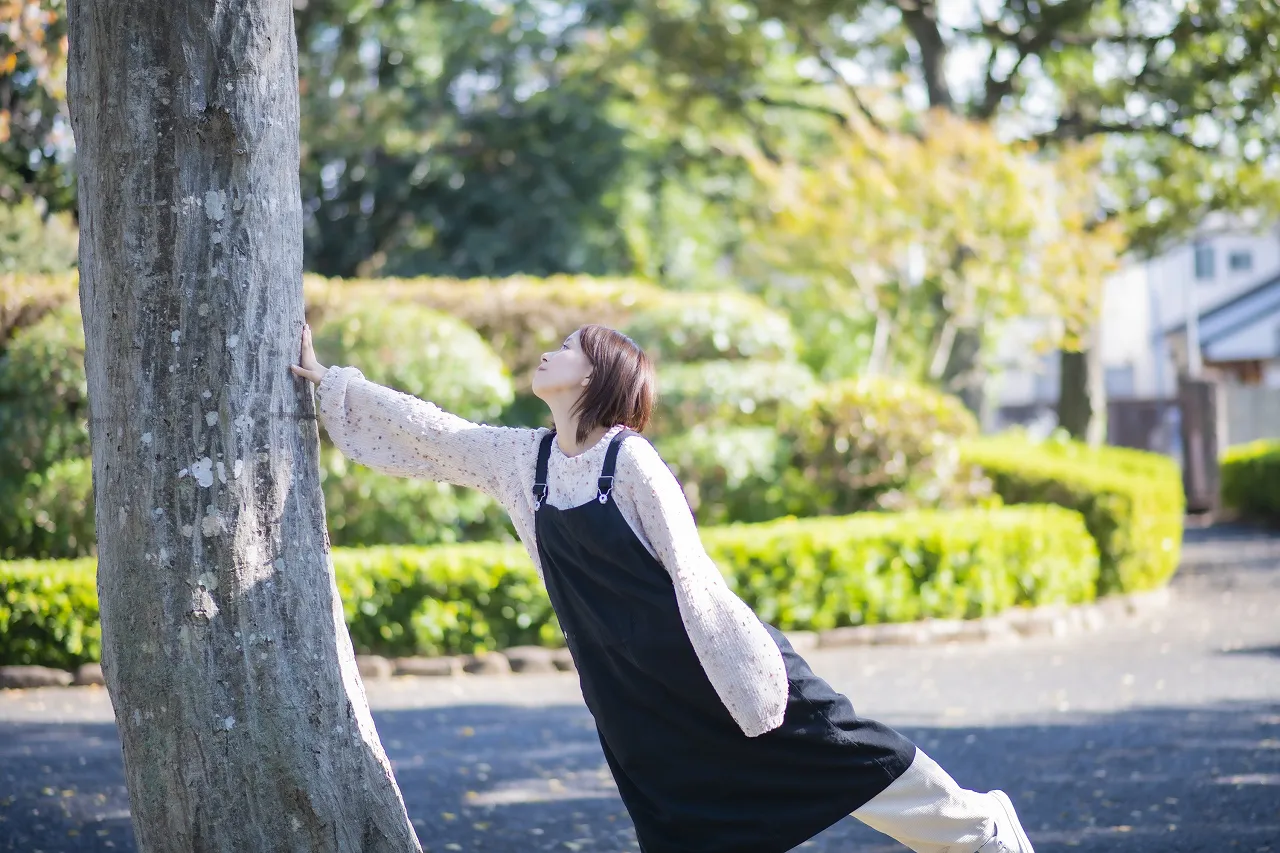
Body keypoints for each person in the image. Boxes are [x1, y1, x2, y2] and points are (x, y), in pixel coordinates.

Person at [291, 321, 1035, 853]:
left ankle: (983, 831)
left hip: (720, 666)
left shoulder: (632, 461)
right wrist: (335, 387)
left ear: (595, 375)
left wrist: (744, 685)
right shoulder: (526, 460)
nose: (547, 352)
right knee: (683, 825)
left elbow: (697, 578)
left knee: (853, 756)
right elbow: (438, 435)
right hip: (633, 692)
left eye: (566, 347)